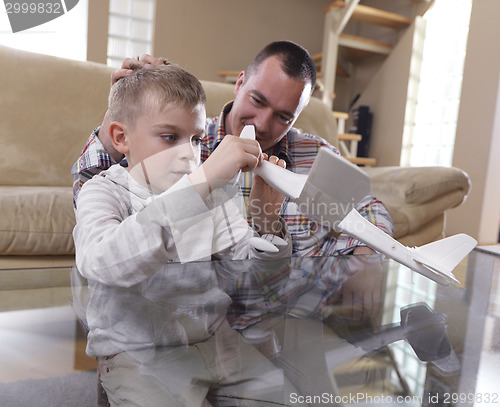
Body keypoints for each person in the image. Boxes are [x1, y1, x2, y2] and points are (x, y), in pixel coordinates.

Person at [73, 64, 306, 406]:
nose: (189, 153)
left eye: (196, 138)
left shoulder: (208, 196)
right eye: (170, 137)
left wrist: (265, 220)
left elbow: (250, 276)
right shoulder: (104, 192)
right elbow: (104, 262)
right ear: (121, 138)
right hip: (137, 353)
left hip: (215, 342)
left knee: (292, 398)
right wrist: (199, 184)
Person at [72, 41, 393, 258]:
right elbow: (96, 194)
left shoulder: (316, 154)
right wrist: (118, 116)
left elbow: (368, 209)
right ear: (240, 84)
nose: (264, 123)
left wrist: (366, 258)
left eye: (283, 116)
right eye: (257, 100)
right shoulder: (189, 137)